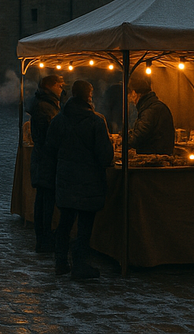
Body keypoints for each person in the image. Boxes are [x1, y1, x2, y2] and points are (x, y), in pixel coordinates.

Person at [44, 79, 113, 280]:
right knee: (84, 225)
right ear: (88, 96)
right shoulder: (96, 121)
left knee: (65, 222)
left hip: (66, 178)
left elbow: (50, 147)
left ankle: (60, 262)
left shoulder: (59, 119)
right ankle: (80, 264)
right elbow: (105, 157)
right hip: (89, 181)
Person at [27, 73, 65, 253]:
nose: (62, 88)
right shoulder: (45, 106)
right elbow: (50, 134)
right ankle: (44, 240)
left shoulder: (47, 103)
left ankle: (44, 238)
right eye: (59, 85)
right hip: (46, 159)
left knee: (44, 200)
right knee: (45, 201)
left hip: (44, 158)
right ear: (50, 86)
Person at [127, 73, 175, 155]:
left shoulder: (150, 110)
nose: (131, 100)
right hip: (160, 154)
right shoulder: (154, 106)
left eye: (130, 96)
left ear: (134, 93)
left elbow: (139, 137)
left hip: (154, 158)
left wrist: (125, 140)